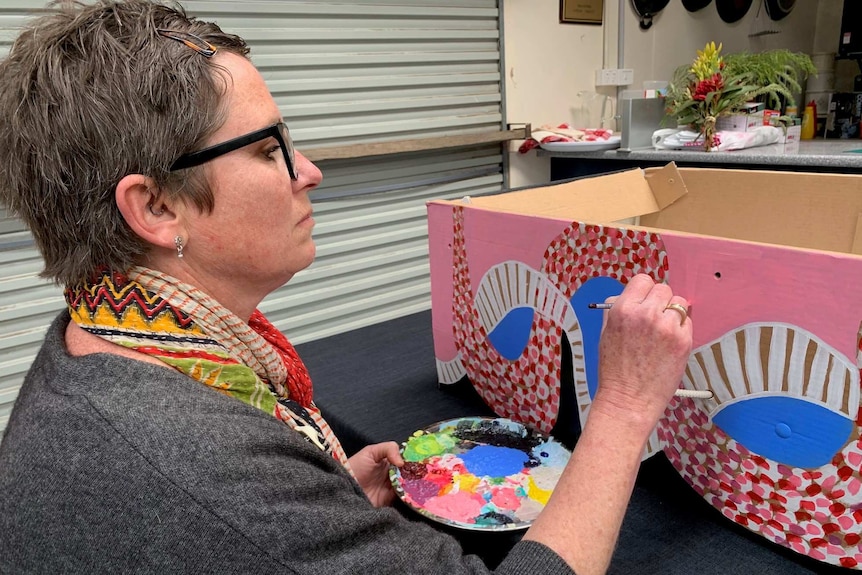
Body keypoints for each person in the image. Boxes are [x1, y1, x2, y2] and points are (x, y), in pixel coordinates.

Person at [0, 2, 693, 573]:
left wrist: (323, 493)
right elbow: (224, 503)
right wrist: (626, 405)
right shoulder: (200, 464)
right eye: (268, 150)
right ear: (156, 208)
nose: (308, 171)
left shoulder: (97, 344)